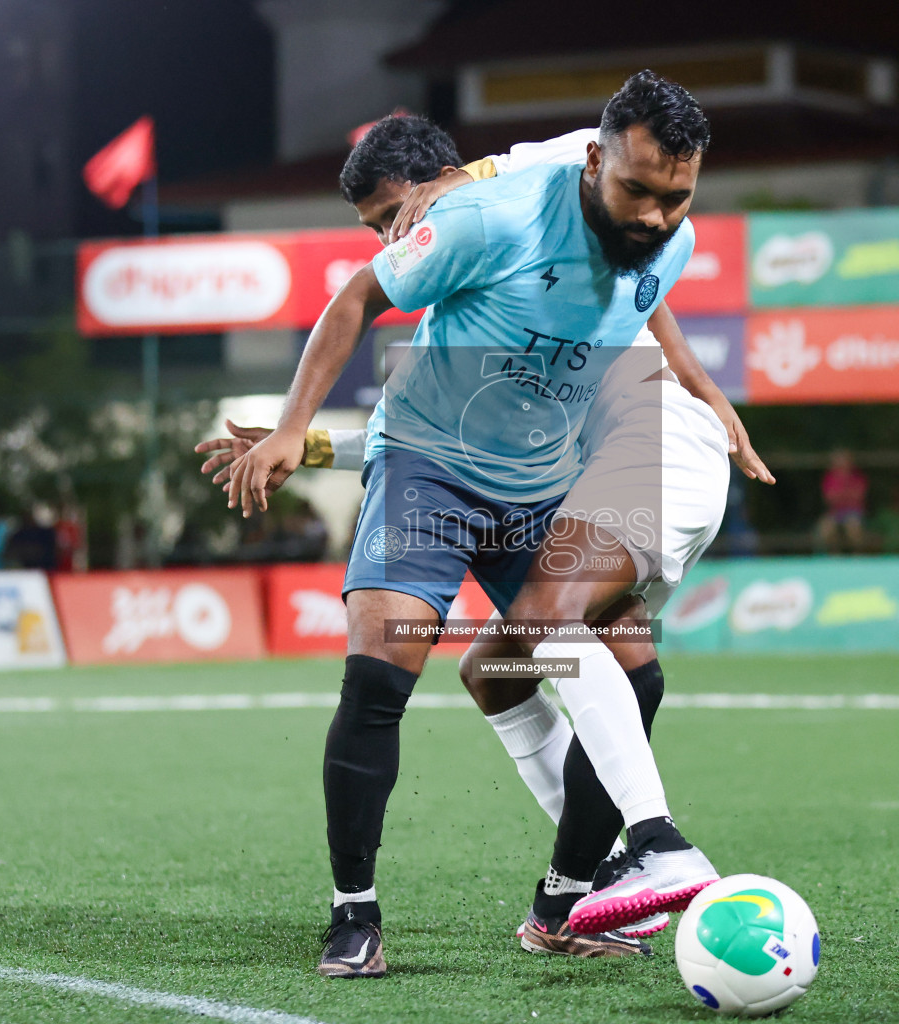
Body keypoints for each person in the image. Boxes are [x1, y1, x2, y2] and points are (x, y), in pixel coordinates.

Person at [201, 115, 774, 957]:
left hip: (538, 487)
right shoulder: (488, 217)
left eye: (673, 199)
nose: (655, 213)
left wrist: (709, 395)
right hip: (425, 471)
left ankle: (578, 896)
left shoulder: (649, 234)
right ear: (600, 166)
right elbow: (358, 296)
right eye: (643, 193)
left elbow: (651, 309)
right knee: (381, 671)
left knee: (619, 672)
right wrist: (298, 429)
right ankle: (354, 913)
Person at [818, 449, 867, 553]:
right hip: (835, 513)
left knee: (853, 528)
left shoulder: (857, 476)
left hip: (854, 512)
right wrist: (847, 494)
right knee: (825, 530)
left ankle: (858, 555)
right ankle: (835, 555)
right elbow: (829, 499)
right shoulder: (829, 477)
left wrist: (840, 495)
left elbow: (858, 496)